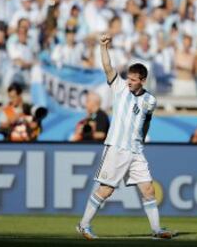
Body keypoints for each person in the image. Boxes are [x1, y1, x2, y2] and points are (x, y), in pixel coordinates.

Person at [76, 34, 172, 240]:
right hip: (117, 147)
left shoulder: (150, 100)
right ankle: (83, 225)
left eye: (133, 79)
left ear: (143, 80)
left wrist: (142, 139)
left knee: (148, 190)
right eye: (128, 77)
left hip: (136, 150)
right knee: (106, 190)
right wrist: (103, 47)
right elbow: (108, 67)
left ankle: (156, 230)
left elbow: (146, 122)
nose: (129, 82)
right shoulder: (119, 88)